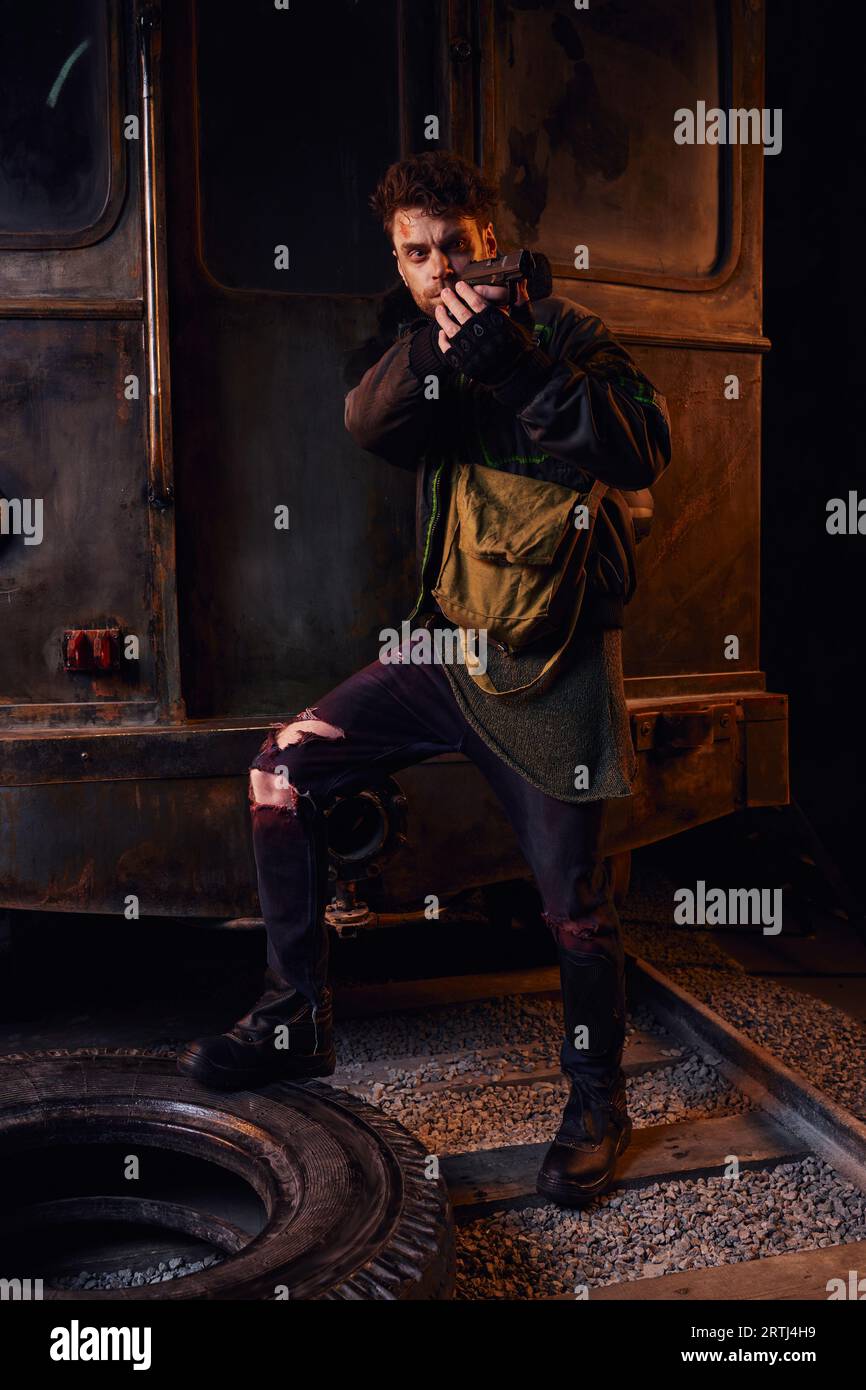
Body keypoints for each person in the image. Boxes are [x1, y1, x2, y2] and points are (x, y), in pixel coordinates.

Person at [178, 151, 672, 1207]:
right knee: (282, 770)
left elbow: (639, 448)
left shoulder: (570, 334)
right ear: (398, 263)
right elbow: (372, 423)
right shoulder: (427, 348)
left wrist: (526, 365)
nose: (439, 264)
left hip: (552, 663)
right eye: (416, 252)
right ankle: (292, 1014)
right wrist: (451, 351)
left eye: (455, 244)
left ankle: (595, 1100)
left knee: (575, 909)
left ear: (490, 237)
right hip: (447, 650)